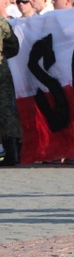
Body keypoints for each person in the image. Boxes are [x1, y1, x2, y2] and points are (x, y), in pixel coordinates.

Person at [0, 16, 22, 166]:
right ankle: (12, 152)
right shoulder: (1, 21)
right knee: (7, 111)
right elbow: (13, 46)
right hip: (1, 69)